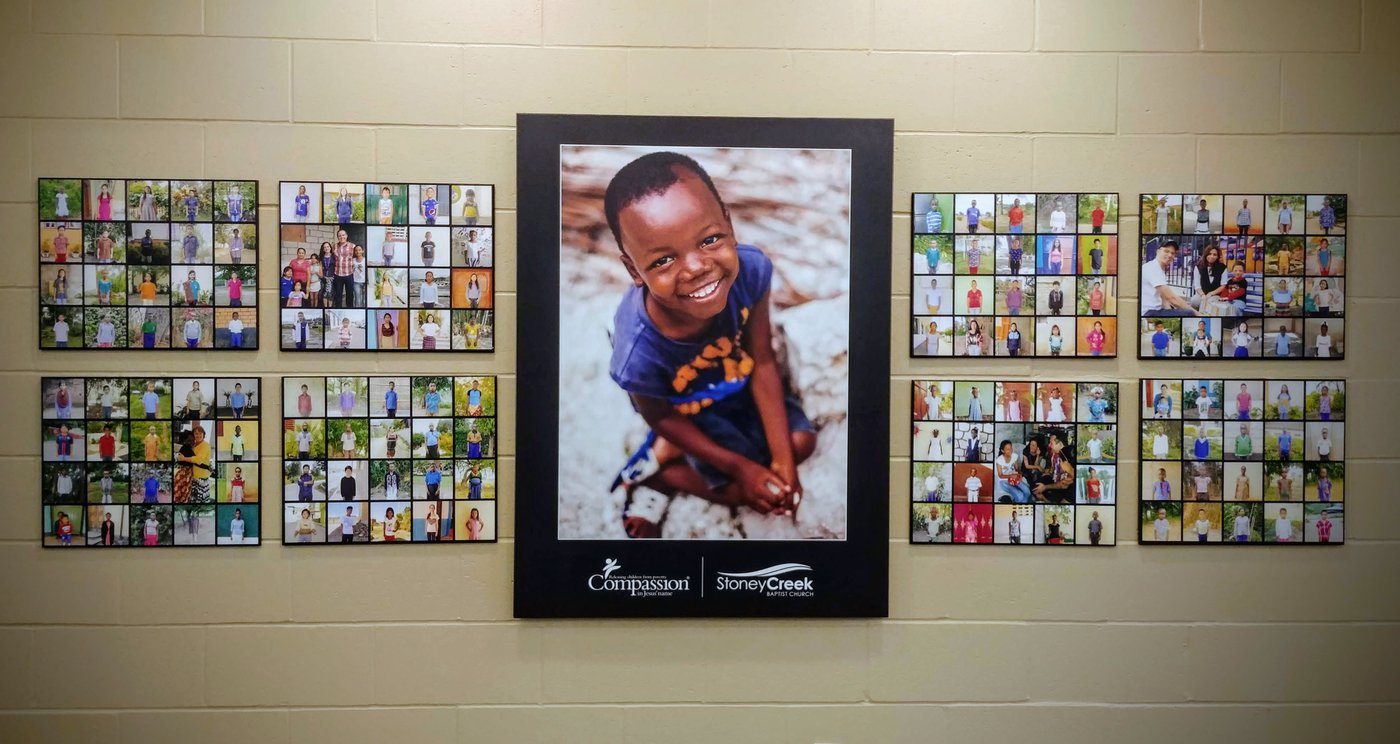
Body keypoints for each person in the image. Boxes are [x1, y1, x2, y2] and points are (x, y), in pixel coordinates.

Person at [1141, 240, 1195, 316]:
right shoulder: (1153, 268)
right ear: (1158, 251)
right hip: (1149, 312)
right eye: (1166, 251)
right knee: (1189, 313)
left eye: (1173, 253)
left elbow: (1164, 298)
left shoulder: (1158, 268)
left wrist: (1171, 309)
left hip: (1156, 309)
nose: (1170, 255)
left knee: (1182, 309)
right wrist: (1197, 313)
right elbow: (1171, 298)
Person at [332, 229, 357, 308]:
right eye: (339, 235)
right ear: (337, 237)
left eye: (343, 235)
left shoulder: (353, 246)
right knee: (338, 295)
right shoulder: (334, 246)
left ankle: (349, 308)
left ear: (346, 236)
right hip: (337, 274)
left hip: (349, 274)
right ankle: (338, 308)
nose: (341, 237)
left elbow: (356, 258)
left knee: (349, 294)